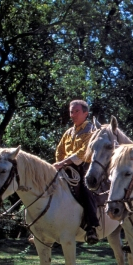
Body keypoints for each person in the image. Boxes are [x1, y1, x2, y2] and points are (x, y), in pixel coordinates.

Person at [54, 100, 100, 244]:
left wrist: (63, 163)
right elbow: (60, 150)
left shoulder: (91, 130)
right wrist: (60, 164)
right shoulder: (68, 132)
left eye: (76, 111)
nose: (73, 115)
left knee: (87, 190)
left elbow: (84, 152)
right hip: (65, 168)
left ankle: (92, 227)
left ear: (86, 113)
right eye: (71, 112)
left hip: (84, 167)